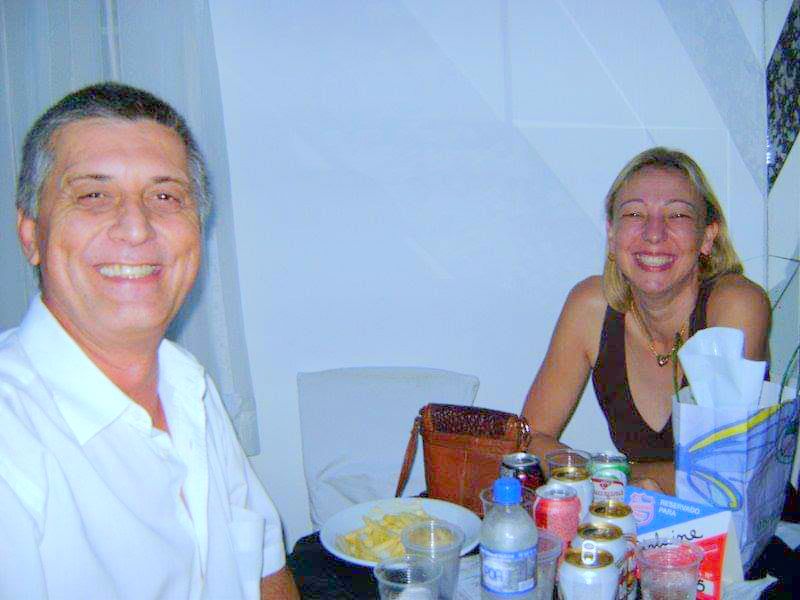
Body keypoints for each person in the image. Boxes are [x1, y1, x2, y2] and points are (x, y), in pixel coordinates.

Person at [0, 82, 300, 599]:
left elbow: (266, 575)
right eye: (93, 195)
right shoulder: (12, 443)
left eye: (165, 196)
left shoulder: (188, 385)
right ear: (32, 236)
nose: (136, 228)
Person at [521, 147, 770, 494]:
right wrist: (615, 477)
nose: (654, 233)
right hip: (641, 518)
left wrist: (612, 475)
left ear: (707, 237)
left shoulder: (736, 305)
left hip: (748, 525)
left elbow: (721, 473)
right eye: (635, 213)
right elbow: (528, 439)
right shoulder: (590, 306)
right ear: (612, 234)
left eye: (678, 215)